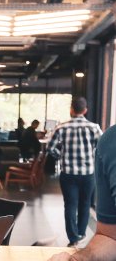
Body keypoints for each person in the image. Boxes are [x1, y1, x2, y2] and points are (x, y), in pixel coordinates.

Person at [45, 96, 103, 246]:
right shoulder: (94, 127)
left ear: (71, 110)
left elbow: (49, 148)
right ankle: (81, 233)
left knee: (70, 205)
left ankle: (73, 238)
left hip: (68, 174)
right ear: (85, 110)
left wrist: (61, 156)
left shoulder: (61, 127)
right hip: (88, 174)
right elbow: (101, 148)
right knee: (84, 204)